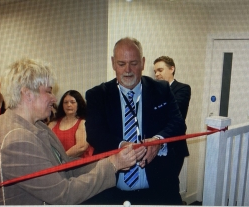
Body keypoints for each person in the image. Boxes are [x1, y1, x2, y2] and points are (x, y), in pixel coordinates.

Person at [0, 58, 141, 205]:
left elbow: (64, 165)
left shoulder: (35, 125)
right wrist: (112, 165)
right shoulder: (17, 140)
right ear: (27, 94)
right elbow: (64, 195)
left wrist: (111, 160)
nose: (54, 98)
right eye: (48, 91)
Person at [84, 37, 186, 205]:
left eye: (134, 63)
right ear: (113, 63)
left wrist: (159, 141)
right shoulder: (97, 95)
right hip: (112, 193)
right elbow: (94, 133)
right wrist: (122, 146)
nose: (128, 70)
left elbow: (177, 123)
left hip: (159, 191)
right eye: (122, 64)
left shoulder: (161, 89)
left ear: (143, 62)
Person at [153, 56, 191, 175]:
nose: (157, 74)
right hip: (156, 146)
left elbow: (174, 110)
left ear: (172, 69)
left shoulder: (183, 88)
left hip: (174, 147)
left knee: (171, 186)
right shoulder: (154, 91)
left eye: (160, 70)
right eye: (155, 72)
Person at [48, 90, 93, 158]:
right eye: (65, 102)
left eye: (72, 102)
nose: (68, 105)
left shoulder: (83, 122)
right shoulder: (53, 123)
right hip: (56, 164)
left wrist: (61, 158)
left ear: (79, 104)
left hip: (81, 166)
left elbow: (81, 146)